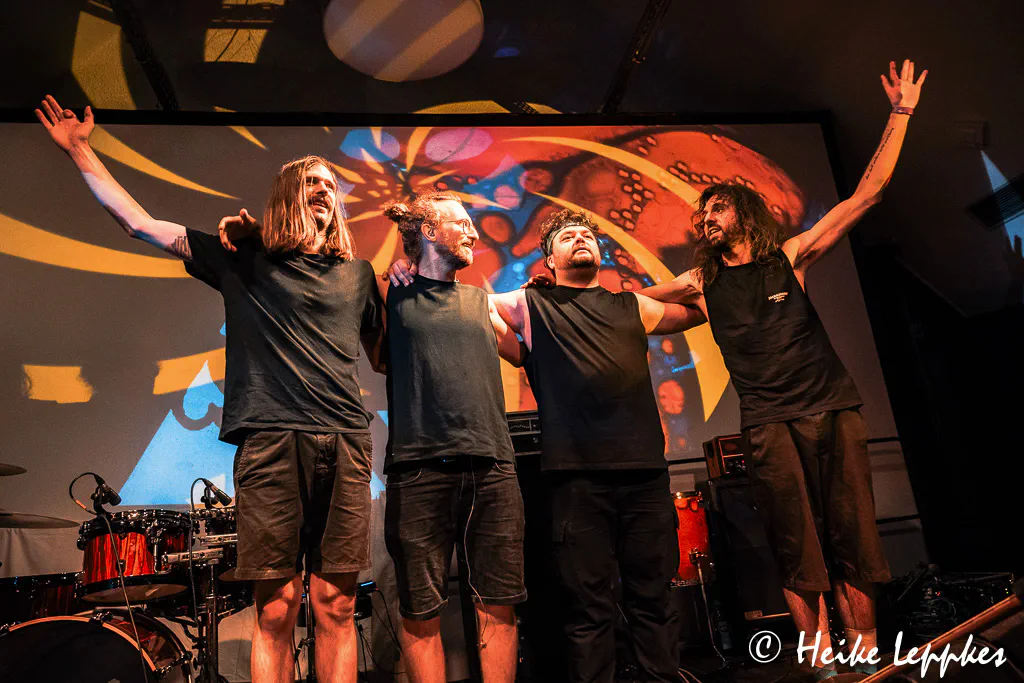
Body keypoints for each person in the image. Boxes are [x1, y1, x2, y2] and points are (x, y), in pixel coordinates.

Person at [36, 95, 384, 683]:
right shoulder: (241, 259)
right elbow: (140, 224)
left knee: (337, 604)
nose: (324, 190)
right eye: (311, 182)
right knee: (277, 607)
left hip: (346, 443)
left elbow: (386, 355)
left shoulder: (358, 276)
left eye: (330, 184)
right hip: (272, 442)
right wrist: (80, 151)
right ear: (287, 197)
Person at [640, 60, 927, 679]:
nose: (705, 219)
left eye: (717, 208)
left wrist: (901, 114)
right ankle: (820, 659)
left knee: (854, 532)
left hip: (833, 408)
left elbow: (867, 195)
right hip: (769, 423)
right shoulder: (702, 283)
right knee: (796, 541)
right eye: (701, 214)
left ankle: (865, 651)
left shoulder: (790, 257)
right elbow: (631, 305)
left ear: (743, 212)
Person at [389, 208, 704, 682]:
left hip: (644, 474)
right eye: (568, 236)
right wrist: (407, 265)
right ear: (549, 261)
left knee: (655, 599)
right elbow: (455, 300)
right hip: (575, 479)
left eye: (587, 235)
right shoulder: (528, 304)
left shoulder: (631, 306)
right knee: (587, 607)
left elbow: (698, 311)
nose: (581, 239)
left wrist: (681, 287)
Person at [377, 191, 527, 683]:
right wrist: (395, 269)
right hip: (418, 469)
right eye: (461, 223)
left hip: (492, 467)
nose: (473, 232)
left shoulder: (481, 302)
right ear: (428, 230)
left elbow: (521, 354)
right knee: (421, 610)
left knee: (499, 602)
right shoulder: (391, 292)